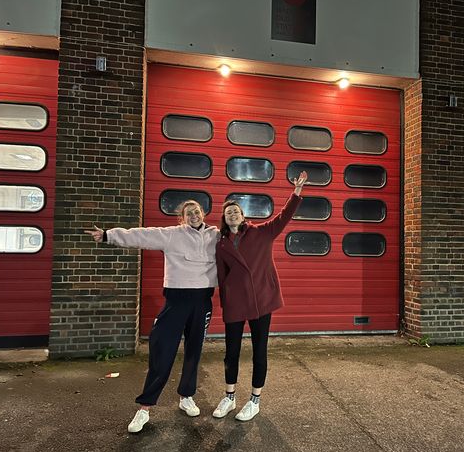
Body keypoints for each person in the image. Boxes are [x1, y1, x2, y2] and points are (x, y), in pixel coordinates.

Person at [84, 200, 218, 433]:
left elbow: (243, 240)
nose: (194, 215)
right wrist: (108, 235)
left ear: (203, 213)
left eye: (197, 211)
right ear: (182, 218)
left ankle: (186, 396)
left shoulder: (216, 235)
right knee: (162, 350)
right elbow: (141, 235)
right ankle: (144, 407)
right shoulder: (171, 235)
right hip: (176, 301)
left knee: (194, 352)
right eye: (189, 213)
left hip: (203, 301)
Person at [212, 171, 307, 421]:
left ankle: (254, 400)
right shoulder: (220, 244)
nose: (232, 214)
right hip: (235, 302)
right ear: (224, 218)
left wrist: (296, 192)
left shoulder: (261, 232)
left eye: (236, 211)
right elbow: (221, 277)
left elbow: (283, 218)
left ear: (243, 216)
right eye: (228, 212)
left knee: (259, 351)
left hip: (261, 300)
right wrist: (224, 303)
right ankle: (229, 397)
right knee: (231, 351)